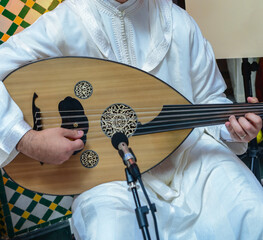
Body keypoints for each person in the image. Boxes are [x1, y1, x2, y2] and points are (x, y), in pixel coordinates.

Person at [0, 0, 262, 239]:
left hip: (189, 159)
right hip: (107, 178)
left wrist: (234, 130)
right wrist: (26, 138)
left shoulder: (178, 22)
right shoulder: (67, 21)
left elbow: (209, 99)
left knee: (252, 211)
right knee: (109, 231)